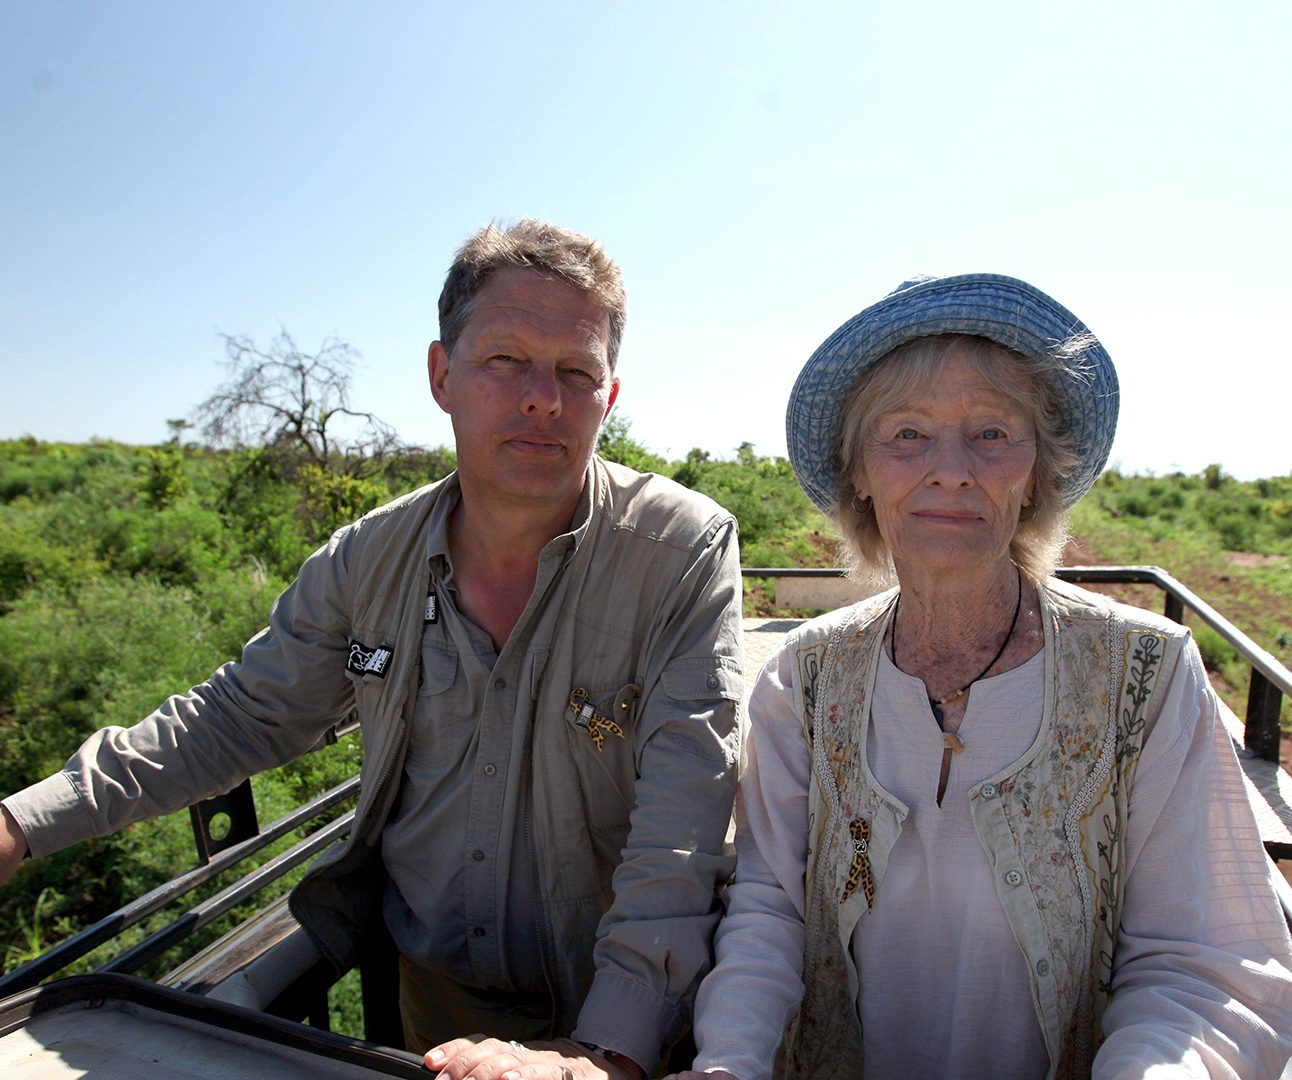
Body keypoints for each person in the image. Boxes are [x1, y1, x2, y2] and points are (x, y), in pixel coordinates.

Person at [0, 220, 745, 1080]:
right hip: (435, 1021)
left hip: (632, 1015)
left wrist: (603, 1052)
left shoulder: (679, 552)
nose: (544, 396)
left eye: (576, 371)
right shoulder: (367, 562)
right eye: (506, 360)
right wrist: (23, 821)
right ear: (442, 376)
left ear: (608, 398)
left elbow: (685, 814)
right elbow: (237, 716)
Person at [672, 274, 1292, 1079]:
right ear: (859, 471)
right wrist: (731, 1063)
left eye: (994, 433)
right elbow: (769, 914)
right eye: (906, 434)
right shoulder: (803, 678)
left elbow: (1202, 962)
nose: (952, 470)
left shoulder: (1148, 676)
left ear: (1037, 470)